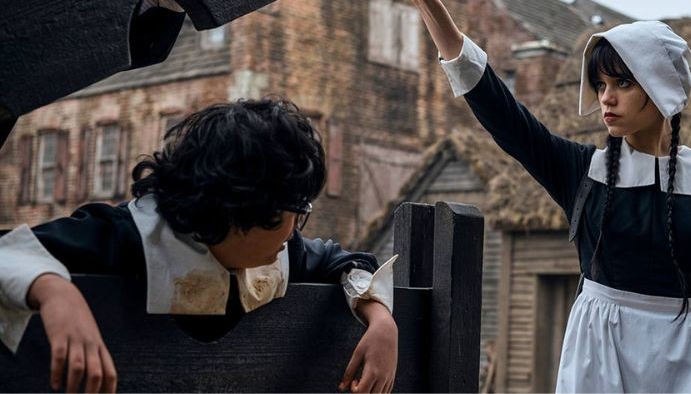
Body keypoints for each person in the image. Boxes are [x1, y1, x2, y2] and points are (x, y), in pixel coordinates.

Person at [405, 0, 691, 392]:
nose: (606, 97)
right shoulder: (584, 173)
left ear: (661, 88)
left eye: (622, 83)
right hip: (602, 357)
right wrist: (430, 3)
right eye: (600, 84)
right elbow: (504, 115)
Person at [0, 98, 398, 394]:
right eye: (286, 214)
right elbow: (10, 252)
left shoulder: (281, 251)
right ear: (234, 212)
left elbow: (341, 261)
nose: (293, 230)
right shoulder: (126, 235)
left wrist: (380, 319)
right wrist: (55, 292)